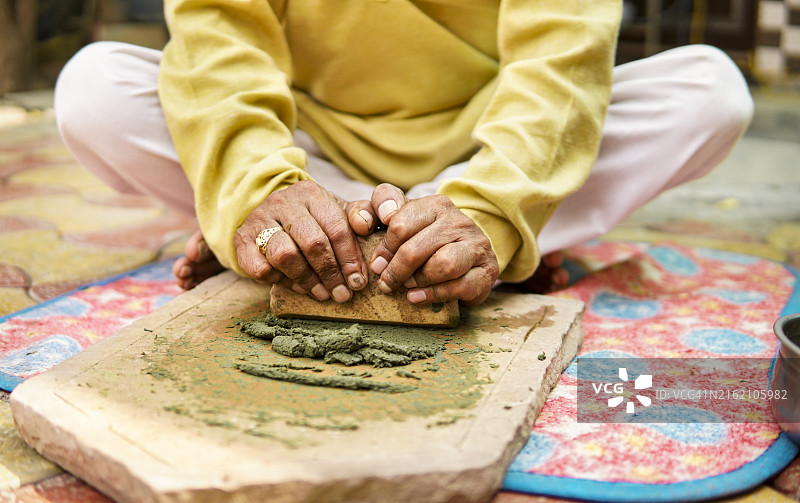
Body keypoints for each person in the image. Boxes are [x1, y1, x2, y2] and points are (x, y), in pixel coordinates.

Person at [54, 1, 753, 308]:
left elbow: (560, 65)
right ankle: (378, 239)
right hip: (310, 147)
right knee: (94, 90)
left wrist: (492, 207)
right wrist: (255, 187)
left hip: (486, 141)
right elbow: (218, 48)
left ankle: (406, 241)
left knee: (709, 93)